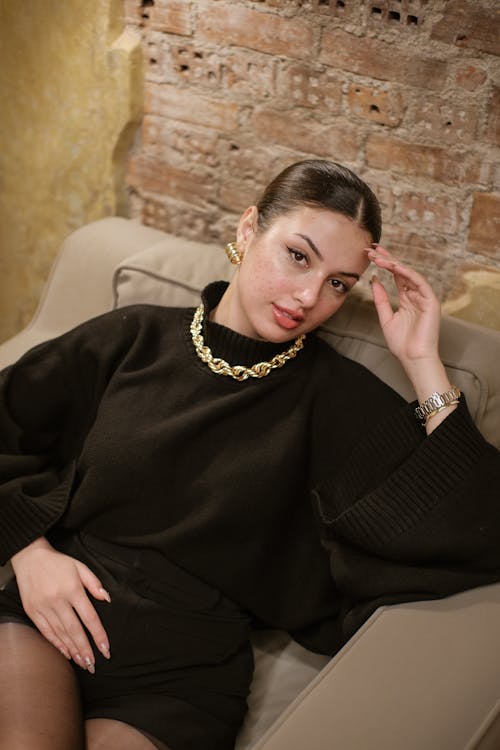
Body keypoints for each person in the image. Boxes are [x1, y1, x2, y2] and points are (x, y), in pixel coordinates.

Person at [0, 159, 499, 750]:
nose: (310, 295)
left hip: (183, 675)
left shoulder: (336, 400)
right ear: (247, 229)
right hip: (52, 611)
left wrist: (423, 363)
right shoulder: (132, 338)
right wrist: (30, 554)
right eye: (298, 255)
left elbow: (479, 524)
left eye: (339, 283)